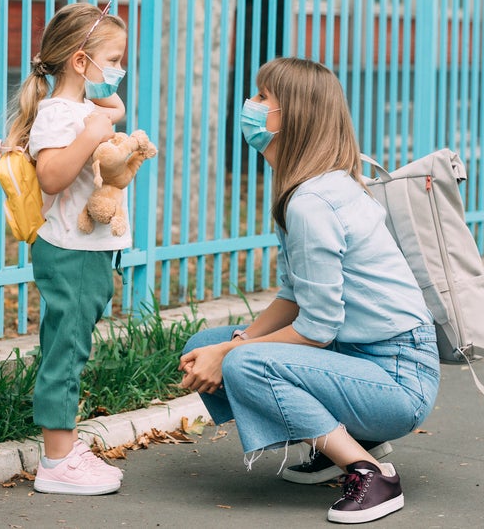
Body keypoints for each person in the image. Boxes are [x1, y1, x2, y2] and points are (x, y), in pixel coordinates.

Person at [179, 57, 440, 524]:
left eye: (263, 98)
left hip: (399, 378)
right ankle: (343, 441)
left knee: (242, 361)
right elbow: (294, 295)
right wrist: (227, 345)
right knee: (208, 345)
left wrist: (235, 353)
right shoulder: (309, 189)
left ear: (292, 117)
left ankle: (370, 472)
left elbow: (316, 330)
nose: (250, 106)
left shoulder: (313, 202)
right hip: (360, 358)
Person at [5, 1, 131, 496]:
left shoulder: (82, 109)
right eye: (114, 59)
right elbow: (52, 176)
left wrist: (103, 118)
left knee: (71, 342)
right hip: (70, 251)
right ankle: (57, 462)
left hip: (86, 250)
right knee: (66, 347)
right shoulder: (59, 114)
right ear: (81, 62)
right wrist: (95, 130)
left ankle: (64, 446)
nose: (120, 70)